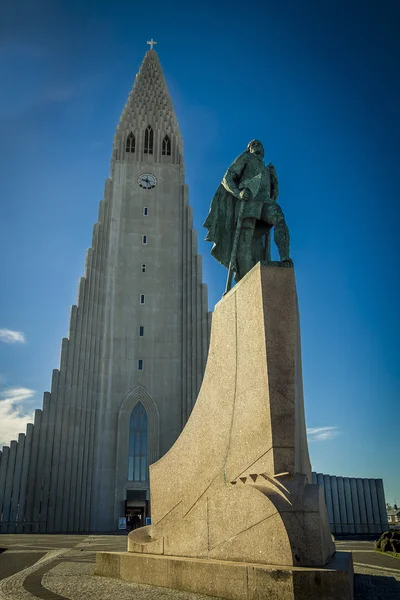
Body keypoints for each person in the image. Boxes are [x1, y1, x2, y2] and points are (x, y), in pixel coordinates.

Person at [203, 140, 292, 281]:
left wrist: (274, 180)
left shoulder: (266, 168)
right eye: (253, 144)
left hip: (264, 201)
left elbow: (273, 194)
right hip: (249, 200)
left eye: (259, 144)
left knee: (279, 217)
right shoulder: (245, 158)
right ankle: (245, 277)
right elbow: (227, 178)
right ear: (249, 148)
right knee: (245, 238)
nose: (256, 145)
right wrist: (238, 193)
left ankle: (285, 258)